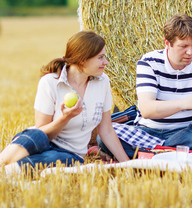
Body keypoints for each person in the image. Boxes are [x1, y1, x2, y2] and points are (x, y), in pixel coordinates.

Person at [97, 14, 192, 158]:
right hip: (148, 131)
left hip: (188, 131)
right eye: (183, 46)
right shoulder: (149, 62)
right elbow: (147, 110)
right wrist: (186, 103)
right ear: (167, 43)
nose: (190, 52)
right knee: (104, 137)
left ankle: (149, 155)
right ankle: (174, 154)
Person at [0, 30, 129, 175]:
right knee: (37, 135)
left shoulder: (103, 81)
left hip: (70, 154)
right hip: (43, 140)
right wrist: (65, 118)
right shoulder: (50, 82)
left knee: (60, 159)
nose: (106, 62)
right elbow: (42, 131)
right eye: (100, 57)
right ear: (83, 59)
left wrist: (127, 164)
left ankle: (9, 173)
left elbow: (107, 130)